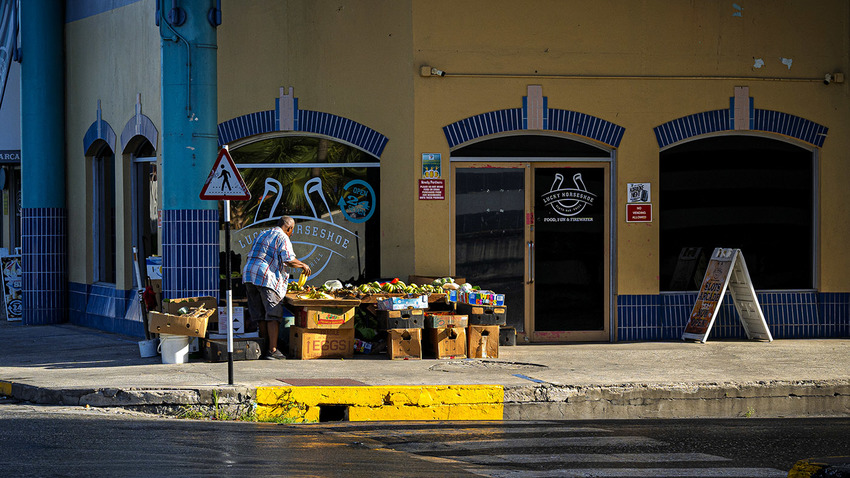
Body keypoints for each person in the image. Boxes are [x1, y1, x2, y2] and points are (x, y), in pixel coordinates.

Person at [242, 216, 311, 359]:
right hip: (265, 277)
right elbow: (288, 259)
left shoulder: (262, 234)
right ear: (289, 228)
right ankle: (273, 350)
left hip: (249, 275)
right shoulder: (282, 237)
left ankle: (263, 348)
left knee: (261, 315)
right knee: (273, 314)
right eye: (292, 230)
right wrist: (303, 265)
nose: (292, 233)